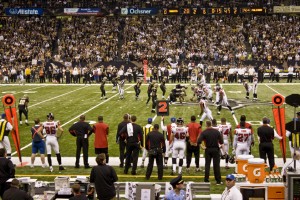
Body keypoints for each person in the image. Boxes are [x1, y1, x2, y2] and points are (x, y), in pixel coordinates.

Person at [197, 121, 225, 185]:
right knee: (216, 166)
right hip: (215, 149)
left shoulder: (204, 132)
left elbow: (198, 141)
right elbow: (221, 142)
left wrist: (202, 147)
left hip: (208, 149)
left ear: (206, 125)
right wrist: (224, 152)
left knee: (207, 165)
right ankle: (218, 181)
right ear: (211, 125)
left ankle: (206, 179)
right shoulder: (216, 132)